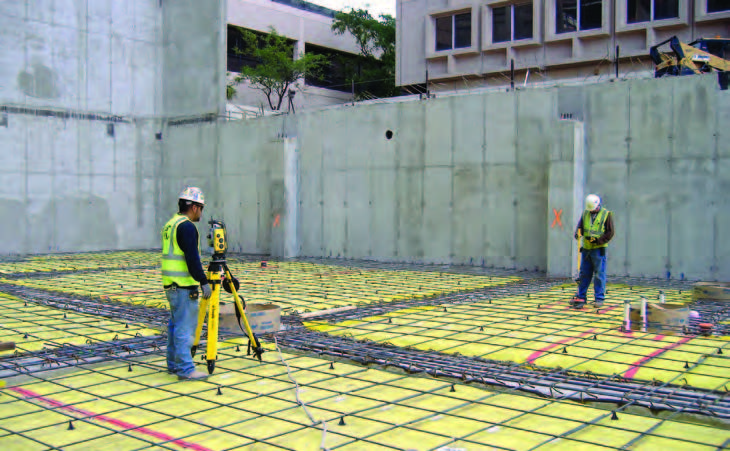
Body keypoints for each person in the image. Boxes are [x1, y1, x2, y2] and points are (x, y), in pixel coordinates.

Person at [161, 186, 212, 380]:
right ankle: (185, 369)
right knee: (184, 328)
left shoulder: (170, 224)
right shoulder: (187, 226)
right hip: (183, 286)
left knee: (175, 326)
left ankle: (174, 364)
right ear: (195, 207)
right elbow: (192, 259)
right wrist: (203, 281)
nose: (201, 213)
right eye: (201, 208)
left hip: (171, 286)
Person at [570, 194, 614, 309]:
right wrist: (578, 233)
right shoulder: (585, 213)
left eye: (593, 209)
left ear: (598, 205)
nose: (592, 211)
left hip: (599, 250)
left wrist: (598, 240)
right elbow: (581, 227)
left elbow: (610, 232)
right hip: (586, 249)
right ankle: (581, 296)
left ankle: (599, 298)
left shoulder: (606, 215)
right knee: (584, 274)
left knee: (599, 275)